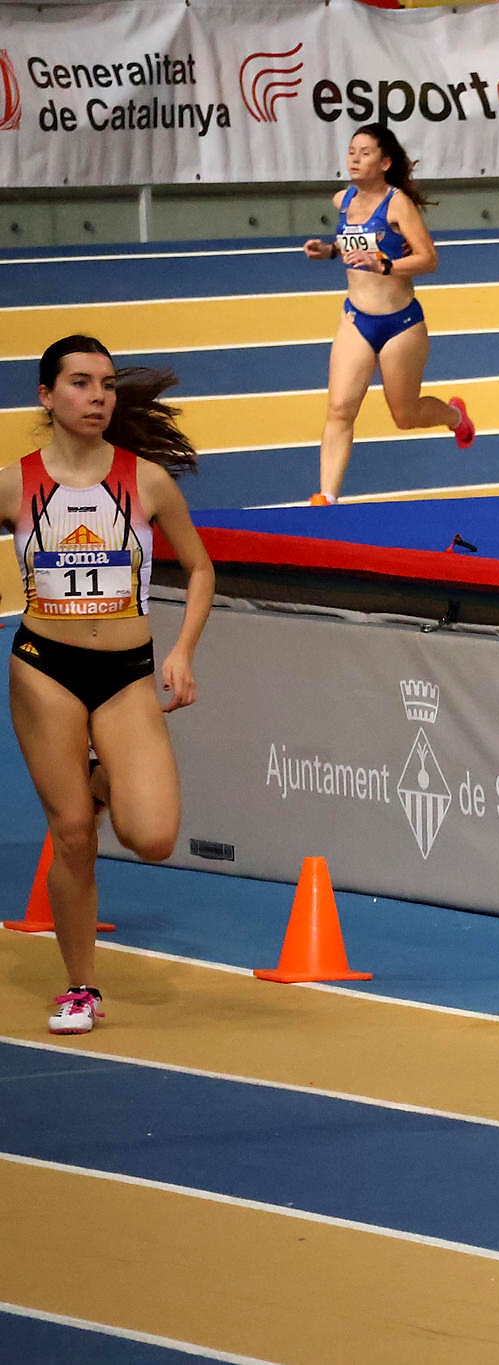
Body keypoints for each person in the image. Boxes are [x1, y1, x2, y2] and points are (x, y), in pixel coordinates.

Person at [4, 335, 216, 1035]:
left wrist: (183, 651)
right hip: (44, 669)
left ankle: (99, 780)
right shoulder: (14, 484)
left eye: (106, 384)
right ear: (46, 396)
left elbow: (200, 568)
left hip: (126, 676)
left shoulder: (145, 481)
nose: (97, 396)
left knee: (152, 837)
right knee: (71, 834)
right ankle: (80, 987)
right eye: (80, 383)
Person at [300, 122, 473, 503]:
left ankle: (455, 417)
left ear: (385, 162)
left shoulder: (397, 205)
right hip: (356, 320)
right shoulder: (342, 200)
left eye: (365, 153)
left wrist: (386, 266)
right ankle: (326, 500)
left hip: (400, 325)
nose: (355, 159)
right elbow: (355, 243)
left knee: (405, 416)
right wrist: (329, 251)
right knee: (340, 409)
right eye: (351, 152)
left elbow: (429, 259)